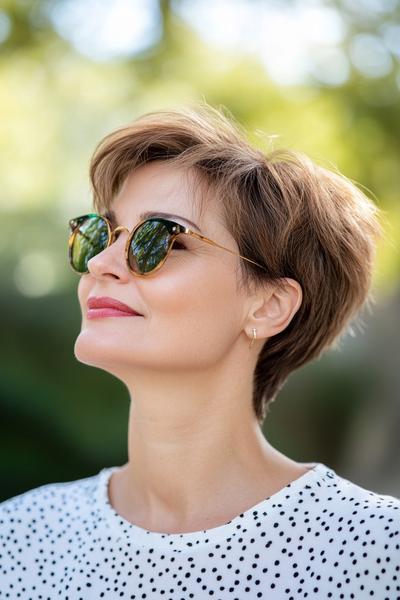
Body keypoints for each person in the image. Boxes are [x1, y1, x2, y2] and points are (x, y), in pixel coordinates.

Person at [1, 103, 399, 599]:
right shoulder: (18, 538)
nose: (101, 262)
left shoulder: (377, 552)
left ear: (269, 306)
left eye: (159, 240)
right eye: (100, 235)